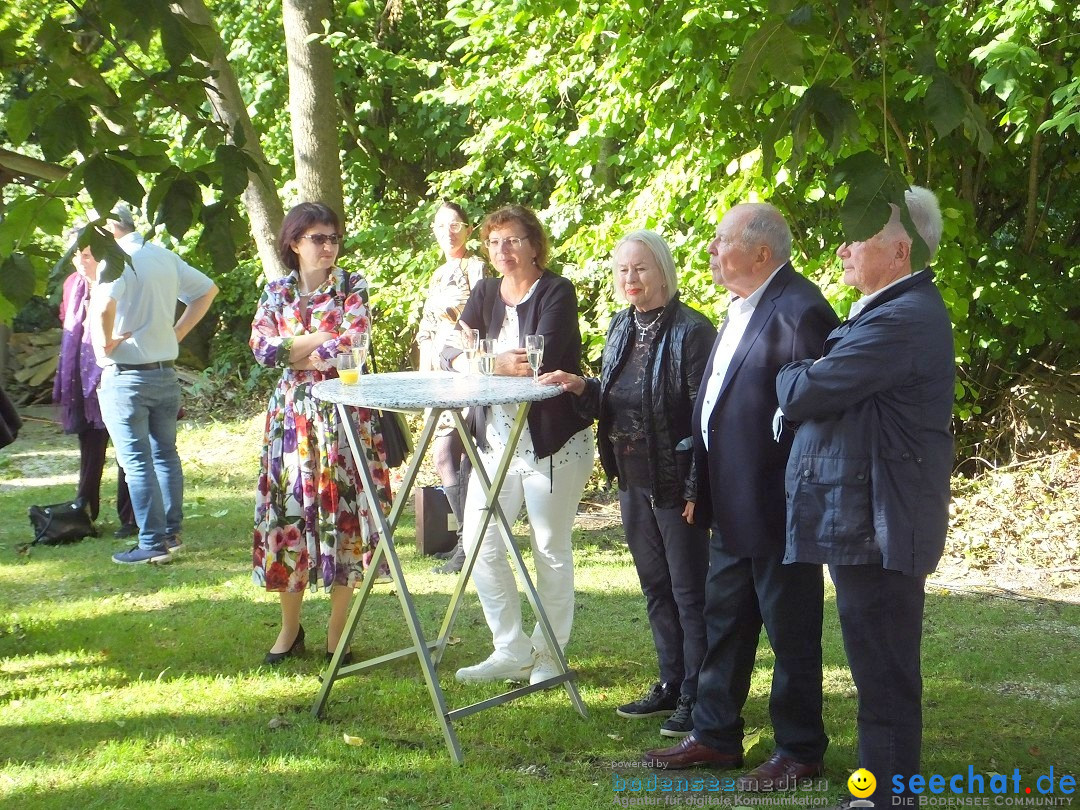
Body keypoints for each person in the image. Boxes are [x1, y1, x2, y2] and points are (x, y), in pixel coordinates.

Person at [645, 203, 839, 789]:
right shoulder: (738, 309)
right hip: (730, 502)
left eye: (722, 241)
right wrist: (699, 488)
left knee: (790, 629)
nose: (711, 251)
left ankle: (800, 748)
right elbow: (715, 408)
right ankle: (715, 735)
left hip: (779, 506)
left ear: (762, 252)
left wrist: (795, 495)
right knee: (724, 620)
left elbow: (818, 414)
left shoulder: (801, 310)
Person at [776, 187, 954, 805]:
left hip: (883, 521)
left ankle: (887, 795)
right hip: (871, 516)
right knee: (878, 665)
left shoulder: (901, 320)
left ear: (900, 251)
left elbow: (804, 392)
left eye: (859, 236)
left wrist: (792, 374)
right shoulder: (886, 312)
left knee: (882, 671)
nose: (844, 248)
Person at [541, 230, 715, 737]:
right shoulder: (621, 325)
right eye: (622, 271)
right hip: (631, 478)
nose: (630, 279)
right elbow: (615, 399)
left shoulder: (692, 331)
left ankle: (698, 693)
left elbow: (706, 420)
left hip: (675, 483)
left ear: (663, 270)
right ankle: (670, 681)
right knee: (655, 587)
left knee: (688, 591)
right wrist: (580, 387)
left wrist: (694, 488)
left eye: (640, 268)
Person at [441, 204, 594, 686]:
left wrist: (478, 358)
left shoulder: (556, 291)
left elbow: (535, 359)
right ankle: (510, 648)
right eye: (493, 242)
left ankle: (549, 655)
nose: (502, 251)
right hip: (494, 443)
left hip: (551, 443)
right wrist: (487, 362)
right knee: (481, 543)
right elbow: (447, 352)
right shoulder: (484, 291)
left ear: (534, 244)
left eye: (513, 240)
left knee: (549, 550)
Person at [250, 201, 393, 666]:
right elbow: (262, 349)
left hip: (344, 416)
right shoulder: (275, 291)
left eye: (333, 238)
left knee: (343, 520)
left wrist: (295, 349)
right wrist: (312, 344)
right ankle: (289, 631)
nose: (329, 246)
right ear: (294, 242)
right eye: (318, 238)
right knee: (288, 519)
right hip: (291, 423)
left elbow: (352, 344)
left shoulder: (353, 285)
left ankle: (338, 634)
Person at [92, 204, 218, 565]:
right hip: (165, 373)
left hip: (128, 376)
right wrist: (176, 333)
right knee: (165, 455)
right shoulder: (163, 255)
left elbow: (103, 310)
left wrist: (104, 343)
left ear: (108, 227)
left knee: (136, 462)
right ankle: (171, 535)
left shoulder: (115, 258)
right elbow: (208, 291)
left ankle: (151, 543)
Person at [416, 200, 487, 575]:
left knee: (456, 455)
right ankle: (465, 539)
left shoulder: (475, 267)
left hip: (464, 371)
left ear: (469, 229)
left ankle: (468, 544)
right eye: (441, 226)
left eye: (455, 225)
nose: (448, 232)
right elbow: (427, 330)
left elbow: (482, 317)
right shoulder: (437, 274)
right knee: (446, 456)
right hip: (437, 376)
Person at [54, 237, 134, 531]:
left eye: (87, 256)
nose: (81, 262)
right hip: (81, 380)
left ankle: (130, 517)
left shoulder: (118, 280)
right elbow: (70, 327)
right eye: (77, 255)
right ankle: (84, 511)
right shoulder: (72, 284)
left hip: (117, 372)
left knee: (128, 449)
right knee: (90, 446)